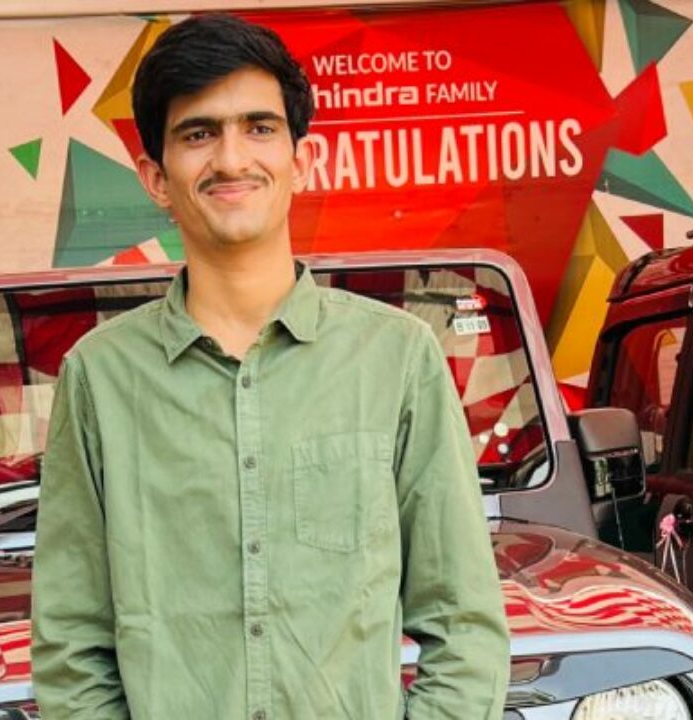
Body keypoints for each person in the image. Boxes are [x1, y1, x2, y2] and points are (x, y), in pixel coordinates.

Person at [31, 13, 509, 719]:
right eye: (199, 133)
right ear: (156, 178)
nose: (231, 160)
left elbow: (464, 625)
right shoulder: (101, 378)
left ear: (301, 160)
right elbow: (72, 648)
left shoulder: (396, 358)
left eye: (258, 127)